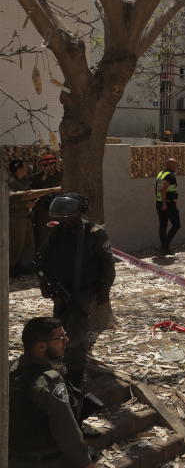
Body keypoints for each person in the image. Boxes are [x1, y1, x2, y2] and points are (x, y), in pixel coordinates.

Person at [36, 193, 115, 389]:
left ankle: (75, 378)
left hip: (82, 292)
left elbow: (108, 266)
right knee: (57, 328)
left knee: (76, 335)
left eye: (66, 215)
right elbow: (42, 258)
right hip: (60, 290)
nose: (63, 219)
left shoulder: (94, 233)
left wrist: (104, 292)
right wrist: (44, 283)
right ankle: (60, 367)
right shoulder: (57, 232)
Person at [9, 316, 95, 468]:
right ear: (41, 346)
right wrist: (86, 463)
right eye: (61, 338)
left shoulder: (10, 370)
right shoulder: (48, 382)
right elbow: (67, 431)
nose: (67, 340)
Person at [31, 153, 64, 255]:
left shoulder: (61, 175)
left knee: (59, 234)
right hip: (42, 212)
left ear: (54, 164)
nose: (47, 167)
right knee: (42, 236)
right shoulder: (36, 178)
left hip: (58, 210)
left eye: (49, 165)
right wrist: (44, 179)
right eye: (44, 165)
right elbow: (33, 193)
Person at [9, 159, 37, 275]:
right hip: (16, 218)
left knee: (28, 243)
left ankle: (25, 266)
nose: (26, 169)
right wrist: (24, 204)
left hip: (27, 216)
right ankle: (11, 267)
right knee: (17, 243)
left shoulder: (25, 181)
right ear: (19, 169)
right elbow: (9, 200)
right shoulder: (11, 183)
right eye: (24, 167)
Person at [155, 158, 180, 254]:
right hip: (167, 204)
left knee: (163, 226)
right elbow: (164, 188)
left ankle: (164, 248)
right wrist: (165, 203)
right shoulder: (169, 175)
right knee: (176, 225)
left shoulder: (161, 173)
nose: (176, 167)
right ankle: (164, 247)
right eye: (175, 165)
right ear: (169, 165)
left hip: (159, 203)